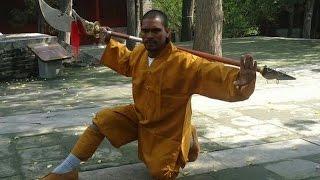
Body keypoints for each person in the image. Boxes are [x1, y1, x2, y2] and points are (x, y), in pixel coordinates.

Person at [42, 9, 256, 180]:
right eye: (145, 31)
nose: (149, 36)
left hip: (167, 127)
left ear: (168, 33)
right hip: (141, 116)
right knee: (102, 120)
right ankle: (66, 170)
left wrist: (241, 80)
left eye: (156, 31)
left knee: (161, 174)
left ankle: (187, 135)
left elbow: (214, 74)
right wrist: (107, 40)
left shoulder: (186, 63)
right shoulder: (140, 53)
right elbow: (124, 61)